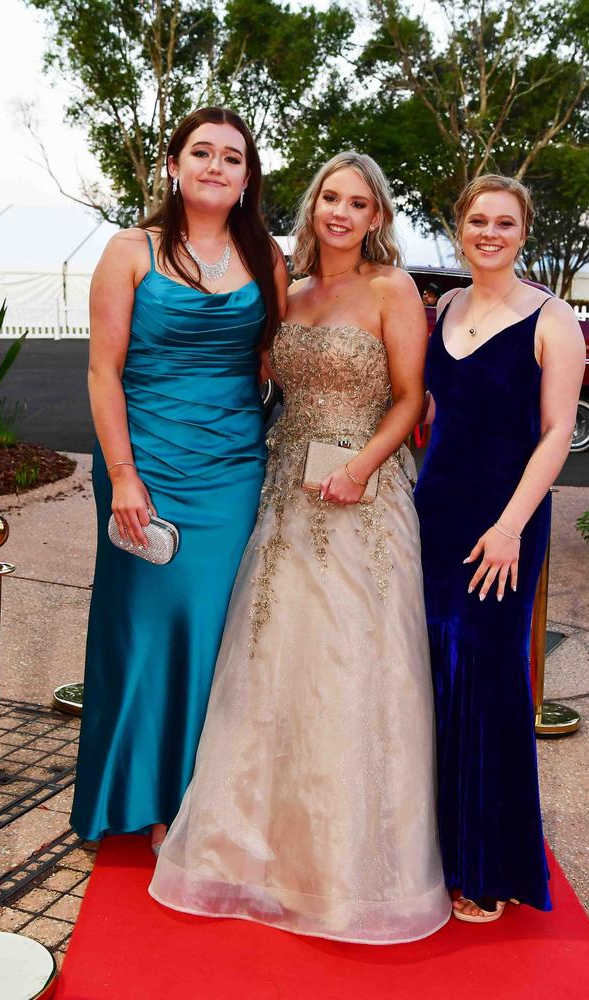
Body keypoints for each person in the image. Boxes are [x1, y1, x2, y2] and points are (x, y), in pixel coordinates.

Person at [149, 151, 452, 944]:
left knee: (355, 661)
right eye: (329, 198)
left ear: (377, 216)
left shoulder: (394, 291)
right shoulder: (290, 287)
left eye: (358, 203)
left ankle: (351, 868)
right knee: (272, 655)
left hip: (365, 492)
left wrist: (359, 468)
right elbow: (254, 376)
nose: (341, 212)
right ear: (313, 206)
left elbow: (411, 396)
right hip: (286, 486)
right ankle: (249, 851)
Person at [70, 107, 288, 852]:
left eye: (233, 157)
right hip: (145, 461)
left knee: (211, 627)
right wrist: (124, 476)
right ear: (173, 164)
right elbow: (102, 371)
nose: (216, 166)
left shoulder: (268, 259)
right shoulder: (131, 250)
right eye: (202, 152)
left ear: (247, 176)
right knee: (145, 626)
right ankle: (139, 794)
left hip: (231, 465)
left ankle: (196, 802)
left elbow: (278, 366)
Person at [414, 174, 585, 922]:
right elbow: (423, 408)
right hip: (434, 510)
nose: (489, 232)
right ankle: (436, 848)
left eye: (504, 223)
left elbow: (556, 436)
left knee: (487, 676)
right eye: (478, 220)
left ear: (524, 232)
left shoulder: (554, 319)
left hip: (503, 522)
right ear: (460, 227)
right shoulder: (445, 306)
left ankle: (489, 868)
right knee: (429, 673)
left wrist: (512, 524)